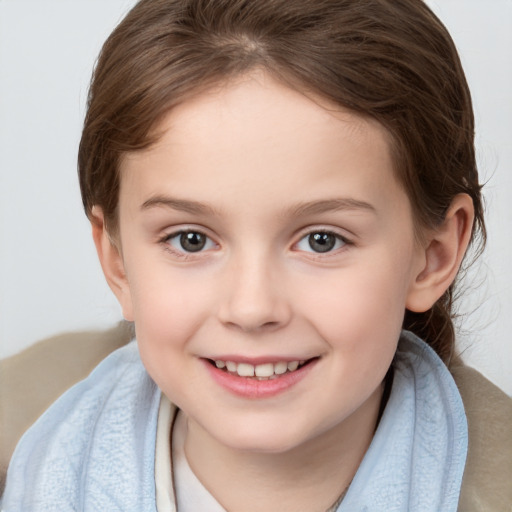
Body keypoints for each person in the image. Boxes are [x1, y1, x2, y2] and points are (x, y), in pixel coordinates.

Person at [2, 0, 511, 510]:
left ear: (434, 256)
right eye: (191, 240)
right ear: (117, 261)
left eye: (321, 240)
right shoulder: (30, 459)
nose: (251, 308)